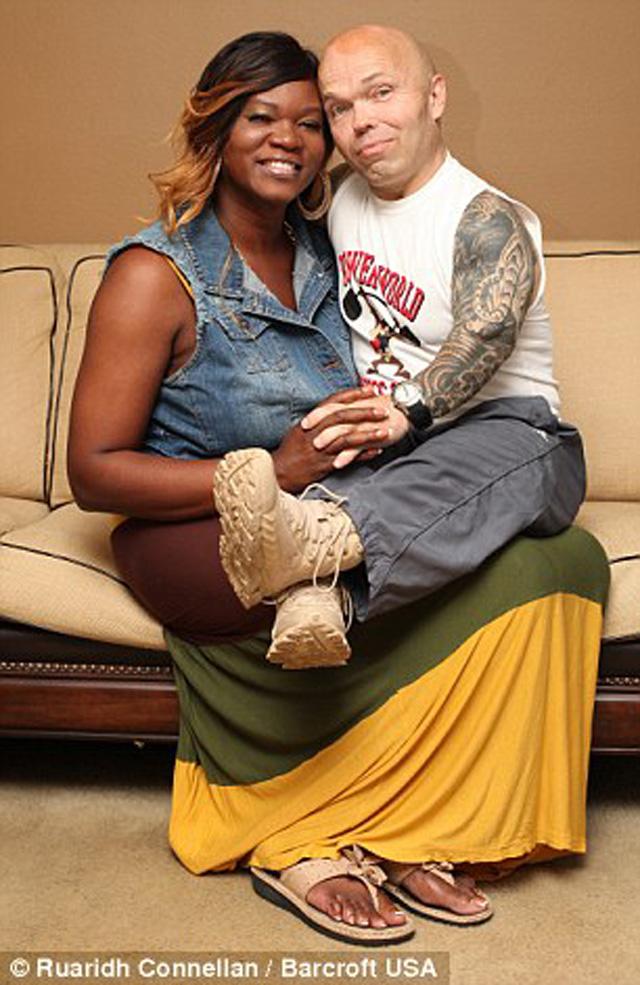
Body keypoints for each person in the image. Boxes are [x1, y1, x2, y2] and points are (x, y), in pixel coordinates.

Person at [68, 28, 608, 945]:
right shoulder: (154, 274)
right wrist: (271, 474)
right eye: (260, 117)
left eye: (311, 121)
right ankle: (301, 834)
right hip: (193, 526)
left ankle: (408, 817)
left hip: (333, 508)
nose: (292, 138)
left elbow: (455, 304)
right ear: (216, 129)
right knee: (313, 563)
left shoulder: (329, 245)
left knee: (559, 559)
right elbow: (93, 472)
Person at [213, 23, 587, 669]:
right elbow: (257, 212)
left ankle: (313, 544)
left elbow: (487, 331)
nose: (361, 120)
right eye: (339, 108)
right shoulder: (337, 198)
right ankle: (317, 597)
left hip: (514, 434)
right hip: (392, 443)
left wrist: (408, 409)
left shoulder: (485, 218)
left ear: (435, 97)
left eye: (381, 92)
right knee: (336, 458)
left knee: (487, 460)